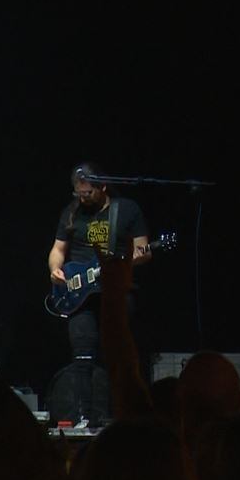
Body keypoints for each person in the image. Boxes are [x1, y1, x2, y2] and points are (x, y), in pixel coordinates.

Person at [45, 162, 150, 423]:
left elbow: (143, 250)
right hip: (78, 292)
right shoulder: (71, 213)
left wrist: (125, 261)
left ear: (102, 186)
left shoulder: (125, 210)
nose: (82, 198)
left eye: (87, 193)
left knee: (113, 354)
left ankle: (112, 417)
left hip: (115, 290)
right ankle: (84, 415)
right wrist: (55, 269)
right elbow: (58, 249)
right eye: (78, 193)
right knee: (82, 352)